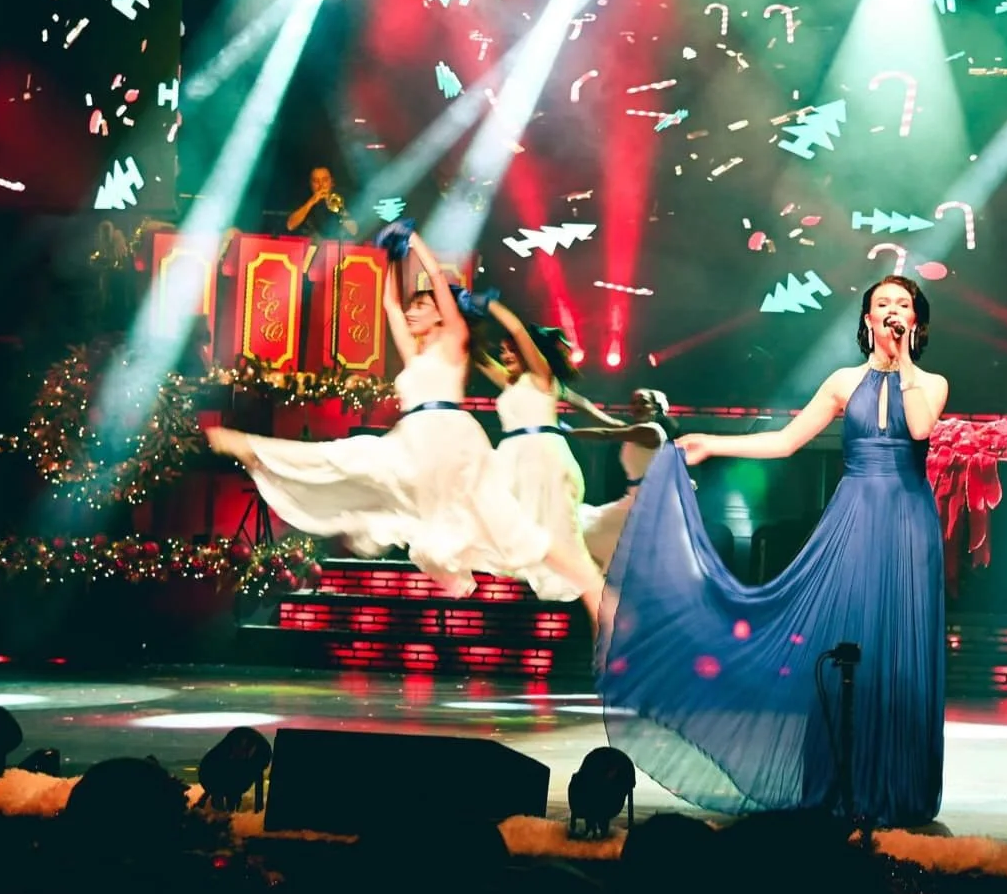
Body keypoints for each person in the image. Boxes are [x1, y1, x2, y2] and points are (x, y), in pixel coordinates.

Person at [597, 275, 949, 828]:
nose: (891, 312)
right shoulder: (841, 382)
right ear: (865, 320)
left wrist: (901, 360)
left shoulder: (930, 381)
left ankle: (897, 787)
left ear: (917, 323)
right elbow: (785, 441)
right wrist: (714, 444)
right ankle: (838, 782)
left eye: (903, 305)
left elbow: (920, 424)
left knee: (900, 648)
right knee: (848, 640)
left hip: (908, 523)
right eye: (882, 305)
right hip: (855, 517)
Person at [205, 231, 604, 630]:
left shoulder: (454, 342)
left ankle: (592, 587)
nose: (413, 312)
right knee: (349, 457)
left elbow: (439, 287)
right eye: (415, 306)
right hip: (414, 440)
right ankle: (254, 449)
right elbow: (390, 305)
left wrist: (415, 242)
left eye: (423, 305)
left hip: (448, 440)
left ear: (441, 313)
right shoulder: (417, 355)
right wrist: (392, 259)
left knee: (512, 532)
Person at [468, 304, 605, 601]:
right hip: (512, 457)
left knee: (550, 524)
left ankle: (586, 593)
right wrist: (462, 319)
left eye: (511, 351)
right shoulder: (510, 382)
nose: (505, 356)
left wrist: (491, 304)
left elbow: (518, 328)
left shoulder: (542, 377)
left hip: (542, 456)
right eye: (502, 351)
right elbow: (477, 356)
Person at [566, 388, 677, 570]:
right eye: (633, 402)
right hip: (637, 500)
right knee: (596, 536)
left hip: (649, 504)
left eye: (643, 402)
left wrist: (567, 433)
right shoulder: (635, 431)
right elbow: (606, 422)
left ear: (655, 407)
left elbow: (606, 434)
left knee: (587, 530)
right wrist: (574, 400)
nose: (636, 406)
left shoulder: (652, 431)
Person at [285, 166, 359, 239]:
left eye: (325, 180)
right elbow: (290, 225)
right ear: (311, 184)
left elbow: (354, 231)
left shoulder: (342, 198)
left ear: (332, 182)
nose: (321, 185)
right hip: (311, 246)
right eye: (316, 181)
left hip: (336, 246)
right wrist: (311, 202)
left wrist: (339, 209)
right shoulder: (303, 198)